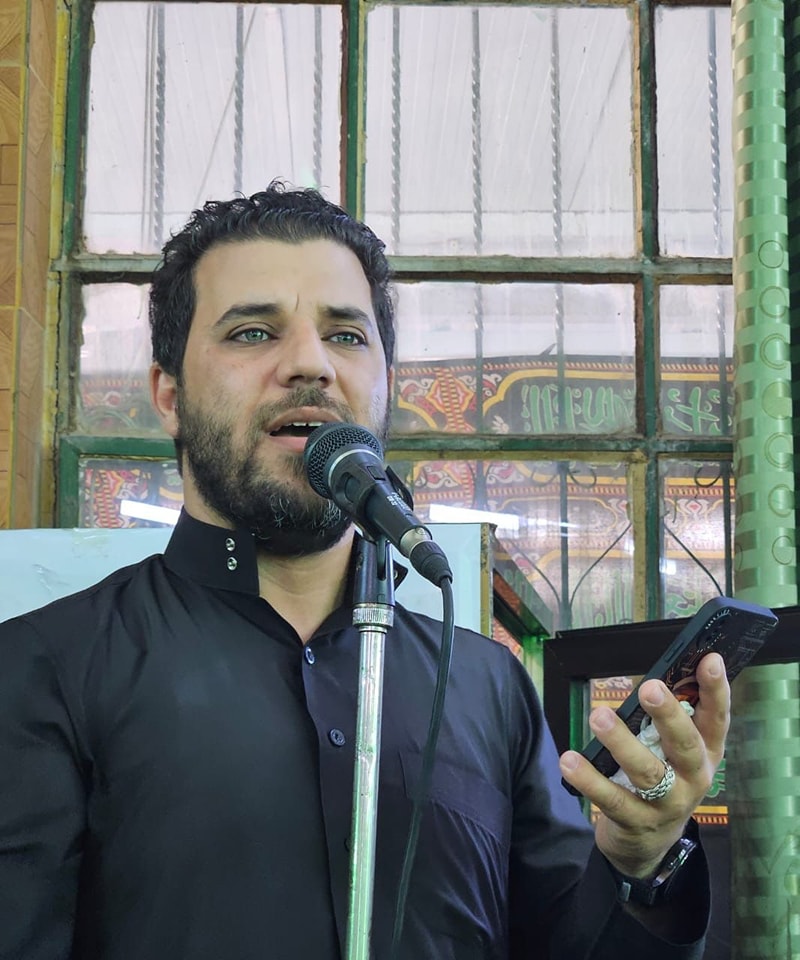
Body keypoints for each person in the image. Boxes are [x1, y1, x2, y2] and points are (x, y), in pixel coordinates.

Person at [0, 182, 727, 960]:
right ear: (169, 395)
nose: (309, 363)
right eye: (252, 332)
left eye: (345, 335)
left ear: (384, 387)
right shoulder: (45, 667)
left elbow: (565, 942)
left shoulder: (486, 683)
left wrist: (642, 866)